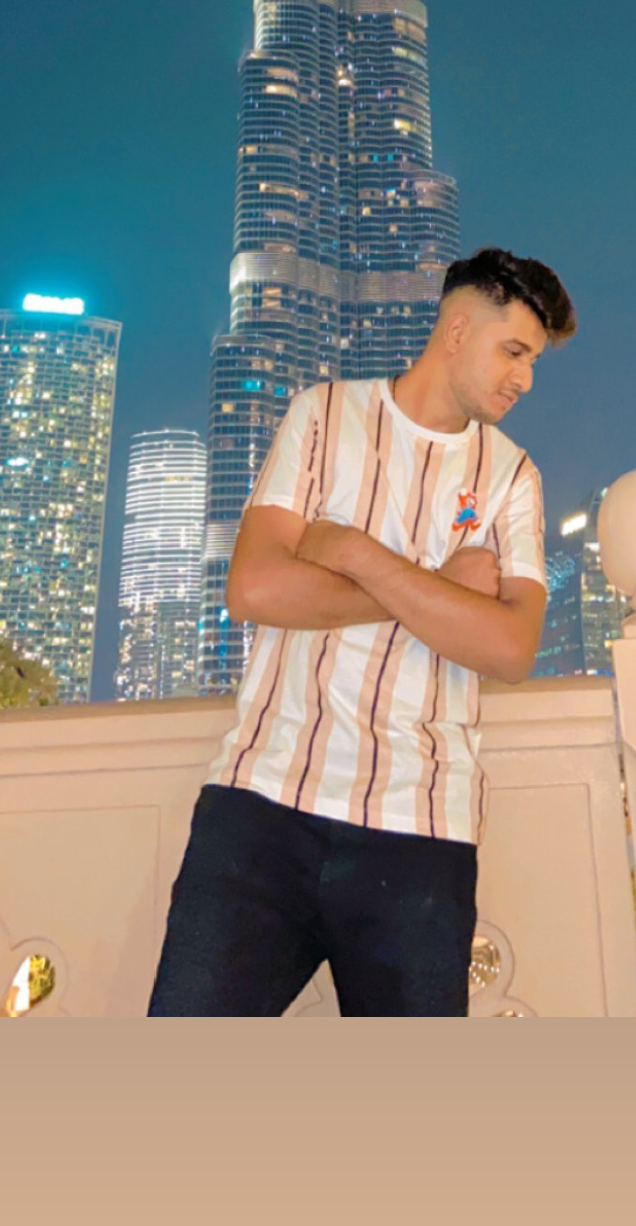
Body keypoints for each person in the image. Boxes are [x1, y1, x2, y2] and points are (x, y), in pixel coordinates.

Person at [147, 245, 576, 1017]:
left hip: (422, 827)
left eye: (535, 361)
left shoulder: (514, 476)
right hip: (263, 802)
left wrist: (352, 553)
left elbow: (510, 646)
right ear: (456, 331)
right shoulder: (322, 416)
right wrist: (441, 589)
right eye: (514, 351)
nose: (526, 379)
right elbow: (255, 587)